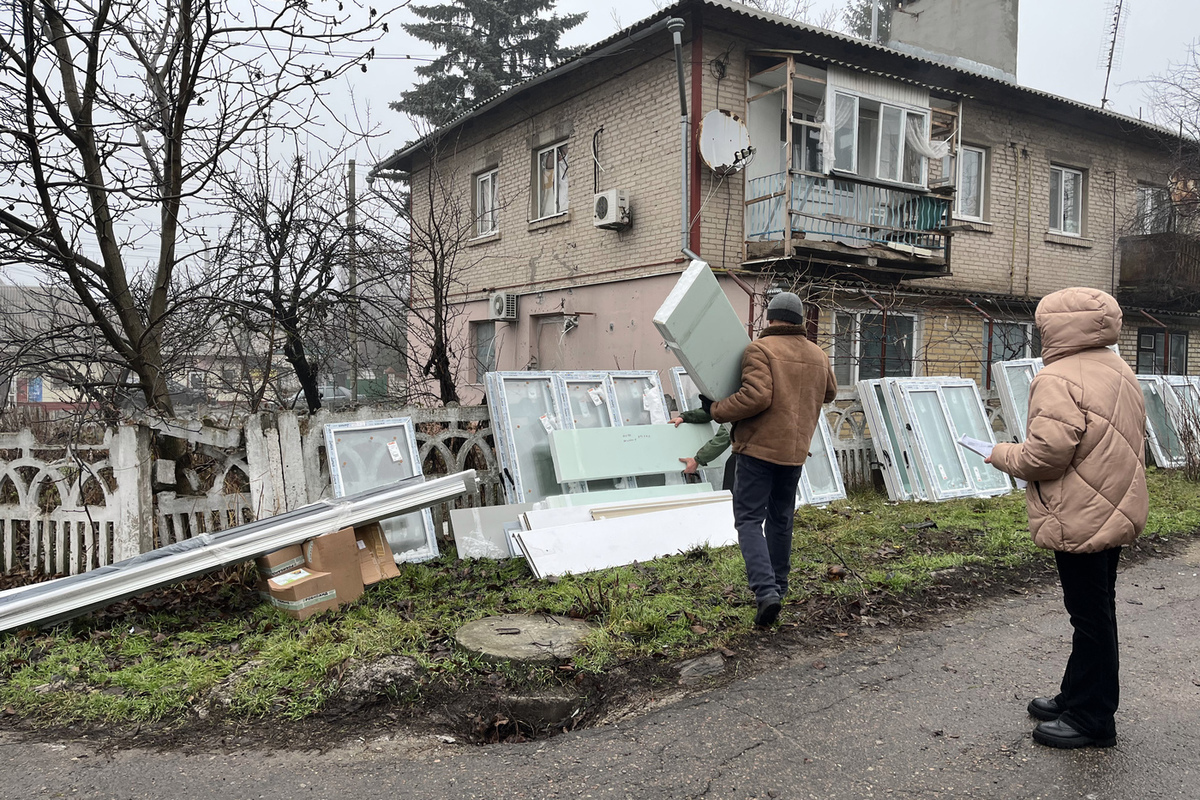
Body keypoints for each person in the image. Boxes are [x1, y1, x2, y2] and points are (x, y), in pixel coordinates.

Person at [986, 287, 1148, 749]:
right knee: (1096, 609)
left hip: (1080, 511)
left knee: (1090, 616)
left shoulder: (1057, 377)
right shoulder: (1118, 368)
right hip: (1114, 507)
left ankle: (1093, 718)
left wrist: (998, 453)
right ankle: (1076, 696)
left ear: (1058, 326)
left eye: (1042, 327)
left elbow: (1044, 458)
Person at [704, 291, 838, 627]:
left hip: (758, 450)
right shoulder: (818, 355)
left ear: (771, 318)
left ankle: (765, 593)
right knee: (781, 519)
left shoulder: (759, 350)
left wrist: (716, 410)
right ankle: (778, 586)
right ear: (800, 320)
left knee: (749, 521)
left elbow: (756, 396)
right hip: (794, 453)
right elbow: (831, 392)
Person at [670, 410, 734, 490]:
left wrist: (698, 459)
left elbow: (725, 435)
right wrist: (684, 417)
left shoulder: (740, 403)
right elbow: (715, 409)